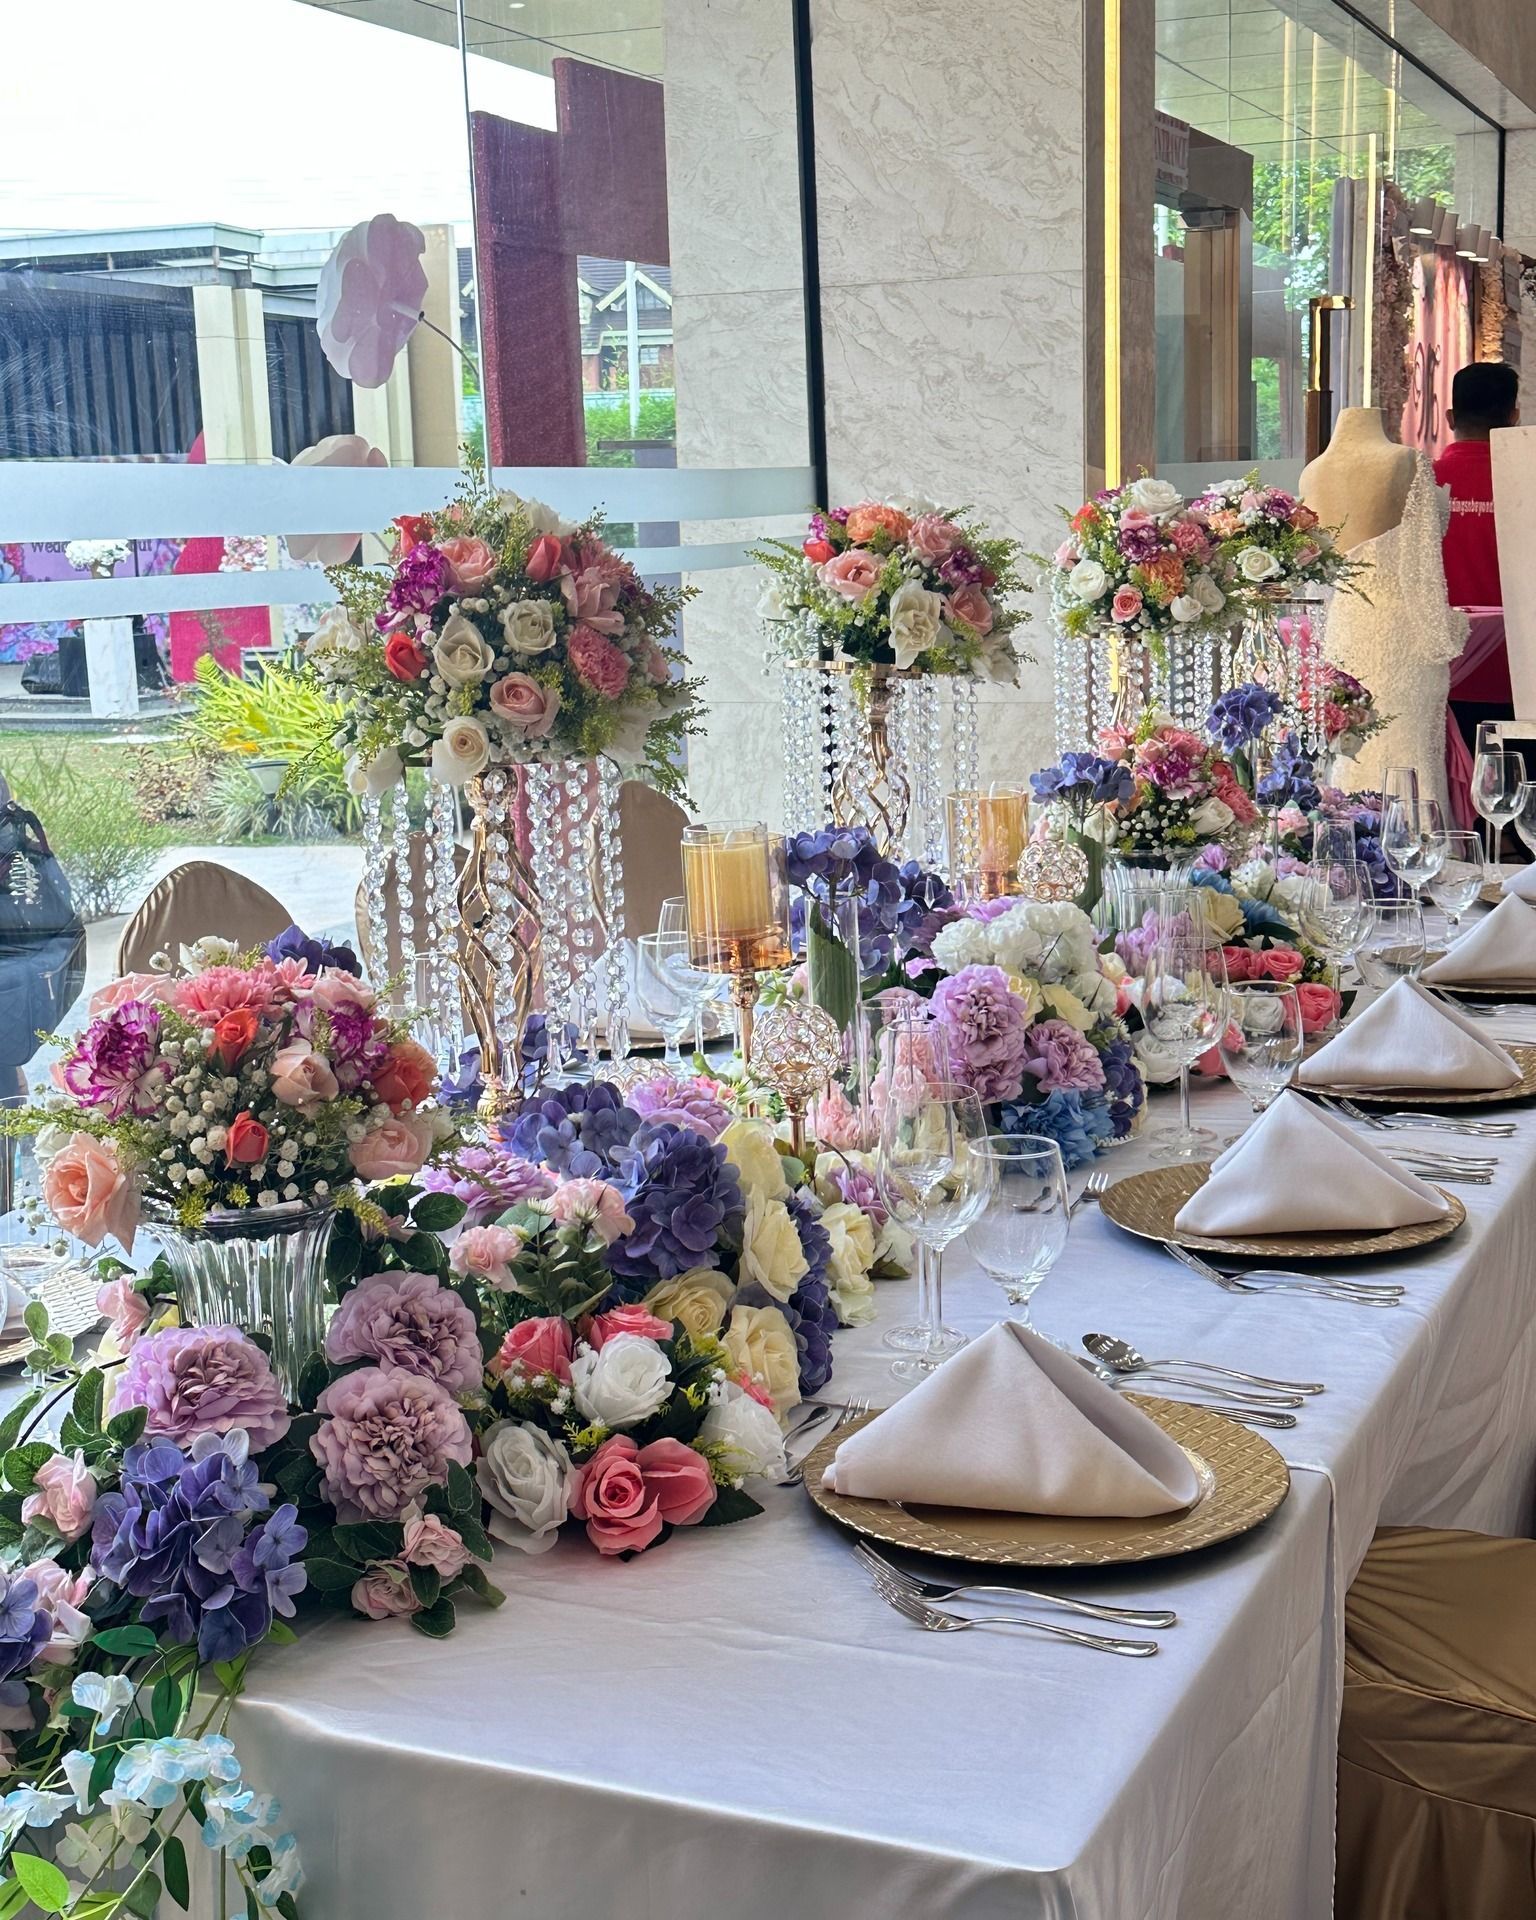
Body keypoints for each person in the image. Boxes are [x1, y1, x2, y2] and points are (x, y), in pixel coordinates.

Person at [1436, 361, 1518, 753]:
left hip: (1441, 678)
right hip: (1519, 683)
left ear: (1450, 417)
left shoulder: (1420, 483)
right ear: (1513, 417)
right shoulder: (1527, 483)